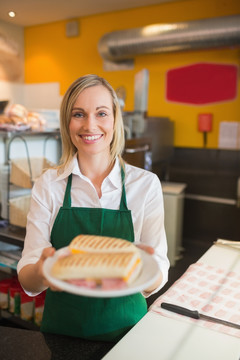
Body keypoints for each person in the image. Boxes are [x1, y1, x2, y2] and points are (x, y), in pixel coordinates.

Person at [17, 74, 170, 341]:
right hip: (63, 334)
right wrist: (41, 271)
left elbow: (159, 271)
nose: (90, 125)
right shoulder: (48, 185)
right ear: (67, 122)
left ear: (114, 120)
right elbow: (28, 277)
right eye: (79, 114)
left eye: (101, 113)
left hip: (129, 332)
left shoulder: (145, 185)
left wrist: (148, 270)